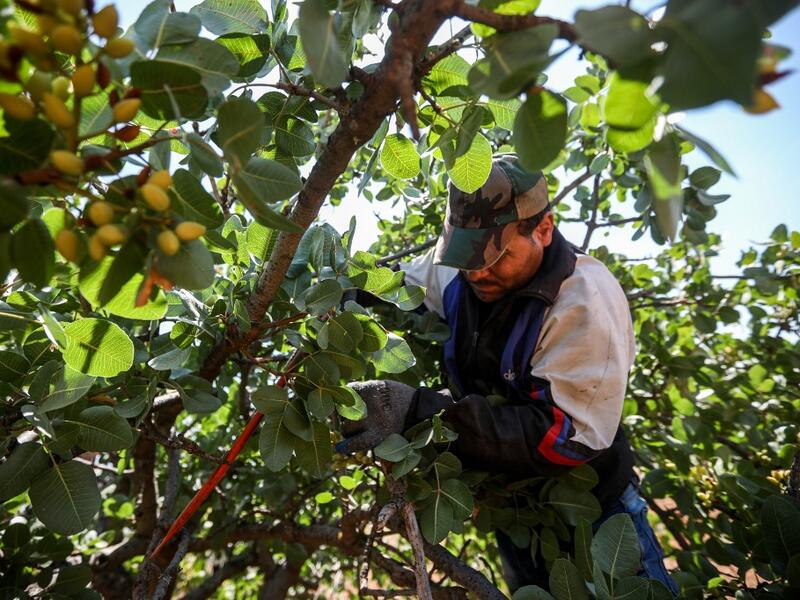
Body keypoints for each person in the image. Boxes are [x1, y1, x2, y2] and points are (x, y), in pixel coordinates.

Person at [336, 155, 678, 595]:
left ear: (544, 229)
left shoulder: (582, 303)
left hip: (596, 517)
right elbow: (399, 285)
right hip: (515, 516)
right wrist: (342, 289)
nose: (477, 271)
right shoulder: (459, 271)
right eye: (465, 254)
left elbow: (561, 438)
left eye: (496, 255)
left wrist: (415, 411)